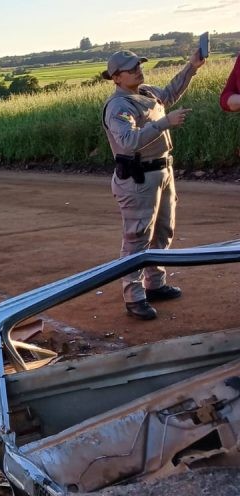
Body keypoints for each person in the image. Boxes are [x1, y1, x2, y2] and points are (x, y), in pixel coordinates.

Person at [101, 49, 205, 320]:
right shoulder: (118, 107)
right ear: (115, 78)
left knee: (162, 232)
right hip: (138, 178)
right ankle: (134, 297)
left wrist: (191, 67)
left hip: (161, 171)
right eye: (130, 68)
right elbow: (128, 141)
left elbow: (169, 93)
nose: (137, 70)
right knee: (137, 238)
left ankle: (155, 284)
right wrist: (163, 123)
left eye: (138, 65)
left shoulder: (146, 92)